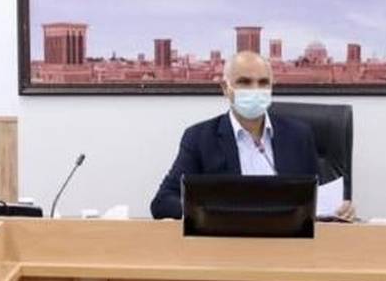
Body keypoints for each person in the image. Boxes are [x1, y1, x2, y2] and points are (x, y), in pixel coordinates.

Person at [150, 51, 355, 220]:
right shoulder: (200, 138)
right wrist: (206, 212)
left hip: (288, 244)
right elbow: (163, 202)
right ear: (225, 88)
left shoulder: (299, 135)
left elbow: (318, 201)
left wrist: (340, 210)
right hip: (227, 244)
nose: (255, 90)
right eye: (245, 82)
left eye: (263, 82)